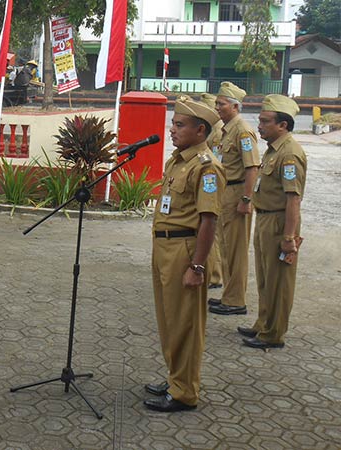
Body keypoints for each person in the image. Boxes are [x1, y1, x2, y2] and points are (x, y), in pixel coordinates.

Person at [144, 98, 224, 413]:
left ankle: (185, 392)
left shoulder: (206, 167)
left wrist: (198, 266)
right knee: (169, 320)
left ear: (200, 130)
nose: (172, 129)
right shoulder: (178, 161)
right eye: (173, 123)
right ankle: (176, 377)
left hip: (185, 250)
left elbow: (209, 220)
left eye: (179, 125)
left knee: (186, 323)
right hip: (164, 246)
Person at [238, 95, 307, 350]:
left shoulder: (289, 154)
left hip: (279, 222)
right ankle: (263, 323)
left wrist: (289, 238)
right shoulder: (273, 149)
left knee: (279, 280)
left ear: (283, 125)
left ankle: (274, 334)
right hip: (265, 218)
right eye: (260, 121)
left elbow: (293, 200)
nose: (260, 126)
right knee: (266, 277)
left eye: (265, 122)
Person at [208, 82, 260, 316]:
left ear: (235, 106)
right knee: (226, 248)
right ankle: (229, 295)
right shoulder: (228, 129)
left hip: (238, 193)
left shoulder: (242, 130)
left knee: (237, 250)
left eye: (221, 104)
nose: (217, 107)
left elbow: (252, 167)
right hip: (226, 193)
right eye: (217, 103)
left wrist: (246, 199)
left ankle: (236, 300)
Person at [199, 93, 224, 290]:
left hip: (217, 185)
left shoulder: (216, 132)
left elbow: (216, 159)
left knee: (213, 234)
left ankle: (215, 275)